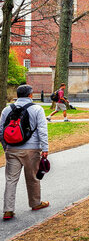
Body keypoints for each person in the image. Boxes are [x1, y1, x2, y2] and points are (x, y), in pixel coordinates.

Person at [1, 84, 50, 220]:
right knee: (33, 178)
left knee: (10, 180)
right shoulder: (37, 109)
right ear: (30, 95)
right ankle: (35, 203)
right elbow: (42, 130)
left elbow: (1, 130)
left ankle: (8, 210)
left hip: (12, 149)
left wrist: (6, 147)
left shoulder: (7, 109)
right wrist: (45, 148)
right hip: (32, 149)